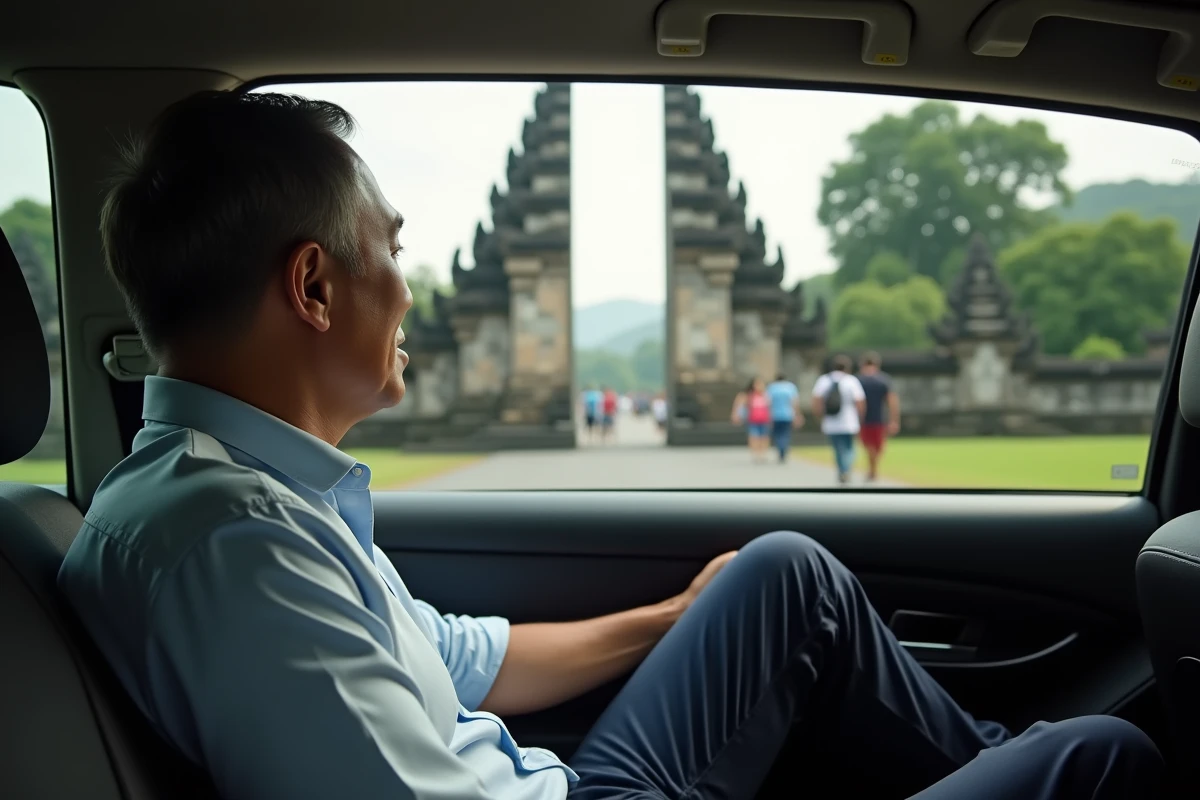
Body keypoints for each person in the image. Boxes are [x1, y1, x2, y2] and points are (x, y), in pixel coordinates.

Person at [57, 90, 1163, 800]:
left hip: (559, 782)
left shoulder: (251, 500)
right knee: (1101, 763)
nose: (409, 285)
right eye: (391, 249)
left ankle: (992, 766)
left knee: (786, 574)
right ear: (312, 284)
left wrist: (677, 616)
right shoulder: (231, 544)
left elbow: (460, 660)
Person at [812, 354, 867, 485]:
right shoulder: (851, 381)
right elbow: (860, 401)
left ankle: (841, 469)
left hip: (831, 421)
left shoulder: (824, 380)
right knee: (848, 448)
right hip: (849, 421)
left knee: (837, 448)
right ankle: (846, 469)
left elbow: (816, 399)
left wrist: (819, 415)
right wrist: (861, 417)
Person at [858, 351, 900, 482]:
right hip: (880, 417)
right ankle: (873, 468)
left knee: (868, 445)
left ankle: (872, 468)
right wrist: (894, 420)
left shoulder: (858, 380)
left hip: (863, 419)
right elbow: (892, 401)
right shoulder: (883, 380)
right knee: (878, 446)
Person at [765, 371, 804, 463]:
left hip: (775, 415)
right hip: (787, 415)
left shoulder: (772, 387)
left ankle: (780, 449)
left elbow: (768, 403)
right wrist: (798, 414)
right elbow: (794, 402)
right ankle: (783, 449)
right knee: (785, 434)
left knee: (777, 434)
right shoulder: (790, 387)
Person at [731, 378, 772, 462]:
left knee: (764, 437)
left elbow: (770, 407)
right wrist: (736, 415)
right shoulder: (748, 395)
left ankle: (762, 453)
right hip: (753, 419)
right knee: (754, 436)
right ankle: (755, 453)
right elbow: (739, 405)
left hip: (764, 419)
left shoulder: (766, 395)